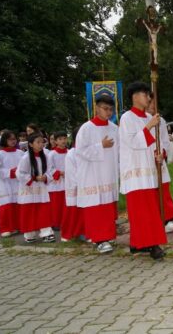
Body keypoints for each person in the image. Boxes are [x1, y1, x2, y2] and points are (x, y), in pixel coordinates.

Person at [119, 83, 167, 260]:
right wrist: (148, 126)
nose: (148, 98)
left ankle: (139, 244)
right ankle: (153, 245)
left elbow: (154, 143)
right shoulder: (127, 118)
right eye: (145, 94)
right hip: (135, 173)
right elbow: (132, 142)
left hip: (149, 171)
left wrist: (159, 155)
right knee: (141, 212)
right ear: (135, 97)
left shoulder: (148, 117)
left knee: (150, 210)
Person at [75, 94, 119, 254]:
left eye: (111, 109)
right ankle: (99, 239)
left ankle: (108, 235)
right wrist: (101, 146)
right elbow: (80, 151)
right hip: (92, 175)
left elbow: (119, 150)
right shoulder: (86, 128)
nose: (108, 112)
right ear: (96, 108)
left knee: (107, 206)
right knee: (95, 208)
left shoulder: (114, 128)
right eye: (105, 109)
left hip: (109, 173)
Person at [146, 94, 173, 234]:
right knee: (151, 192)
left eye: (155, 103)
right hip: (146, 161)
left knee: (164, 190)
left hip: (160, 159)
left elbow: (165, 141)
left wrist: (163, 154)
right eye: (151, 102)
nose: (153, 106)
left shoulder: (161, 120)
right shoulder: (140, 120)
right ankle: (156, 222)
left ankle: (168, 221)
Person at [16, 132, 54, 243]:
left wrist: (46, 177)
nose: (41, 144)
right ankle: (29, 234)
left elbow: (51, 170)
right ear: (31, 144)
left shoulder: (46, 156)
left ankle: (47, 233)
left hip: (41, 189)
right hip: (29, 190)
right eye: (38, 142)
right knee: (29, 212)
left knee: (44, 211)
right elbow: (20, 173)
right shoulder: (25, 158)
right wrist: (33, 178)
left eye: (42, 142)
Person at [0, 131, 23, 237]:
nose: (13, 141)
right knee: (6, 206)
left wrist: (19, 171)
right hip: (5, 184)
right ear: (5, 140)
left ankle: (19, 226)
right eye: (10, 139)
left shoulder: (20, 153)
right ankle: (6, 228)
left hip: (18, 183)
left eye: (14, 139)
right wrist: (10, 172)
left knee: (19, 204)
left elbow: (25, 166)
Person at [61, 126, 84, 242]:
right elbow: (71, 173)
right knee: (74, 211)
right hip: (76, 186)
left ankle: (84, 232)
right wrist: (80, 183)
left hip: (87, 185)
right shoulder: (71, 153)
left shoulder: (88, 151)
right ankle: (69, 233)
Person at [47, 131, 68, 229]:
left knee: (66, 203)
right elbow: (49, 168)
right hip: (56, 183)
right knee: (56, 205)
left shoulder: (69, 152)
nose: (63, 141)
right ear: (55, 141)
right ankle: (56, 223)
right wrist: (59, 173)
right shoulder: (51, 154)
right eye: (60, 139)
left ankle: (66, 222)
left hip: (68, 182)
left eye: (64, 138)